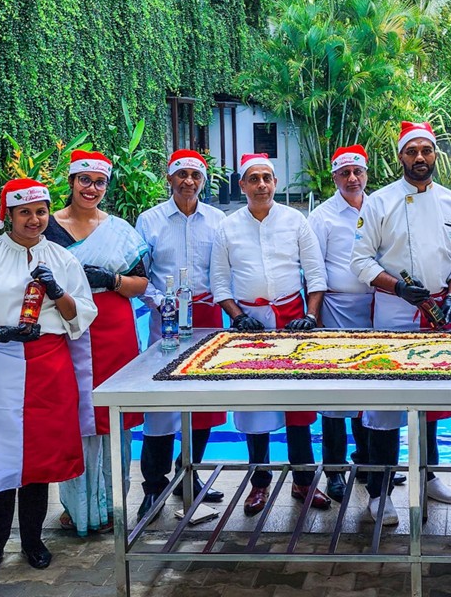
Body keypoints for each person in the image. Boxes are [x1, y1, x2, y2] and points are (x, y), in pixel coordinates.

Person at [0, 178, 97, 582]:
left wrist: (57, 292)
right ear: (9, 216)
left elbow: (82, 314)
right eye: (25, 212)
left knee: (39, 461)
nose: (34, 220)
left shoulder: (62, 258)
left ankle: (33, 540)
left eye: (41, 211)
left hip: (50, 364)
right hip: (1, 361)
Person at [351, 121, 451, 525]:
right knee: (384, 407)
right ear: (400, 157)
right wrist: (399, 289)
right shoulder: (378, 202)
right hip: (394, 312)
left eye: (427, 151)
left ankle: (428, 474)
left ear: (435, 155)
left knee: (433, 399)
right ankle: (379, 494)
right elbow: (360, 262)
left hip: (436, 313)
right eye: (412, 151)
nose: (420, 158)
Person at [211, 153, 331, 514]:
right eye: (254, 178)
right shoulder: (228, 227)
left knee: (298, 408)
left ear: (275, 183)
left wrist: (310, 316)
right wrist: (236, 316)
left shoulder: (296, 221)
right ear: (243, 185)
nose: (261, 184)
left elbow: (316, 273)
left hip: (294, 318)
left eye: (267, 178)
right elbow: (219, 281)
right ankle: (259, 483)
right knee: (255, 407)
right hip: (250, 326)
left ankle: (305, 482)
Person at [44, 150, 149, 536]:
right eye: (84, 180)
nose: (91, 188)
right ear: (71, 182)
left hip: (113, 330)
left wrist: (112, 280)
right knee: (73, 417)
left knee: (111, 416)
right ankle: (76, 507)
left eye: (99, 182)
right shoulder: (47, 227)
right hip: (65, 328)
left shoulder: (119, 229)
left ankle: (113, 503)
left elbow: (141, 283)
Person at [134, 149, 230, 521]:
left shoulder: (218, 220)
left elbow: (224, 270)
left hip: (208, 314)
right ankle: (153, 487)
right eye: (182, 174)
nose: (188, 181)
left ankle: (189, 475)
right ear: (169, 179)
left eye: (195, 175)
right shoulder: (150, 220)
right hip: (166, 320)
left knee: (204, 403)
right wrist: (161, 302)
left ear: (203, 180)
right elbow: (140, 273)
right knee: (160, 408)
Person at [307, 144, 378, 502]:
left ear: (367, 174)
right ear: (335, 177)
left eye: (358, 172)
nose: (352, 179)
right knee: (335, 392)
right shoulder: (322, 216)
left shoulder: (380, 207)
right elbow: (314, 267)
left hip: (376, 306)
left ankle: (367, 463)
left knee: (371, 387)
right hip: (335, 308)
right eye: (345, 173)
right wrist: (315, 314)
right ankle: (334, 471)